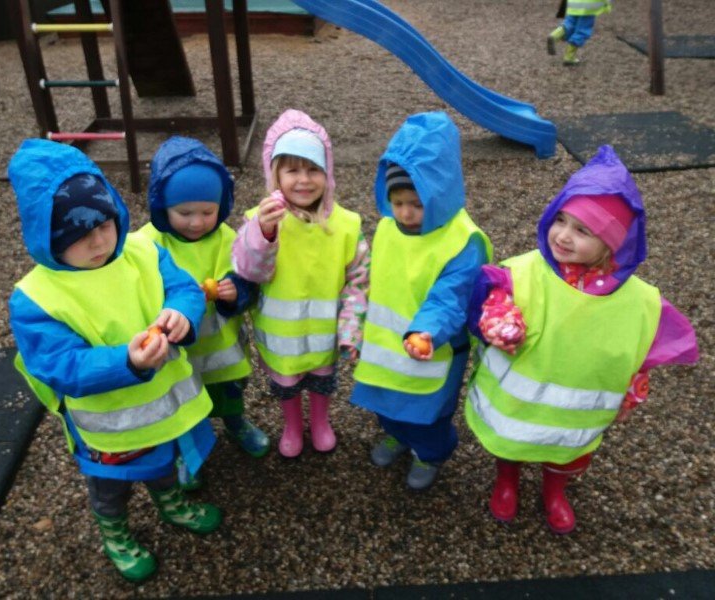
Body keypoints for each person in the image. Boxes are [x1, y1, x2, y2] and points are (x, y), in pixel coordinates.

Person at [8, 139, 222, 583]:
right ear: (45, 237)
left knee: (164, 459)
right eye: (77, 235)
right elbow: (60, 366)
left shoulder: (142, 251)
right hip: (109, 429)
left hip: (165, 408)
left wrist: (182, 312)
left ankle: (171, 503)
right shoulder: (36, 297)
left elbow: (182, 287)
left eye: (104, 224)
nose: (99, 241)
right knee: (110, 488)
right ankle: (115, 532)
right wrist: (126, 360)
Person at [465, 145, 699, 533]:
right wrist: (499, 321)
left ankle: (554, 491)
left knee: (568, 452)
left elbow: (641, 351)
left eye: (582, 230)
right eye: (560, 220)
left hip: (575, 416)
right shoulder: (524, 271)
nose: (563, 236)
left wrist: (632, 394)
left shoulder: (640, 301)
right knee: (509, 440)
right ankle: (507, 480)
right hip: (515, 406)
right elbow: (494, 299)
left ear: (612, 243)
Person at [351, 111, 492, 490]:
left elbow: (452, 297)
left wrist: (427, 331)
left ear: (440, 193)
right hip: (386, 348)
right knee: (387, 404)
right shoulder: (388, 227)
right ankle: (398, 435)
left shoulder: (462, 242)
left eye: (416, 203)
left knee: (428, 414)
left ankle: (429, 453)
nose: (405, 213)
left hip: (433, 346)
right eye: (397, 202)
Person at [232, 109, 369, 458]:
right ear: (274, 174)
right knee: (286, 385)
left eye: (313, 169)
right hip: (282, 337)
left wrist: (351, 328)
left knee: (322, 381)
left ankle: (320, 422)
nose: (303, 180)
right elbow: (248, 270)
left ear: (327, 172)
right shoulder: (260, 220)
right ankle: (292, 425)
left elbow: (358, 280)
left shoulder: (346, 225)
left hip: (324, 335)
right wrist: (263, 233)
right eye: (292, 170)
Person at [139, 136, 269, 490]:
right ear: (162, 206)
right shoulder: (148, 243)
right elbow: (138, 290)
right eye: (184, 213)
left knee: (229, 390)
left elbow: (248, 278)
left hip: (222, 343)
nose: (197, 222)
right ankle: (189, 451)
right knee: (184, 397)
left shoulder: (228, 238)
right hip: (180, 348)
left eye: (207, 212)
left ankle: (236, 424)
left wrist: (235, 291)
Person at [547, 0, 613, 65]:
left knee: (569, 23)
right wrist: (607, 6)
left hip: (573, 3)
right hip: (588, 7)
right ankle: (569, 57)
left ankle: (555, 35)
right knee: (582, 31)